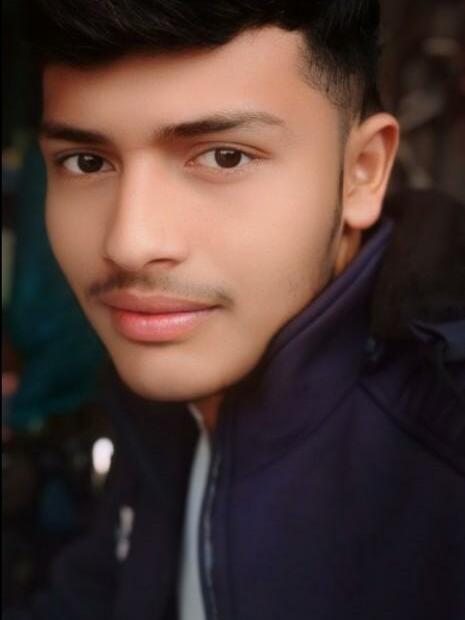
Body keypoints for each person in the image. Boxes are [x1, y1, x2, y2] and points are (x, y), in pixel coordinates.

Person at [6, 1, 465, 619]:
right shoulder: (164, 375)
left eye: (225, 156)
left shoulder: (444, 451)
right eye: (86, 162)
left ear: (362, 172)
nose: (128, 243)